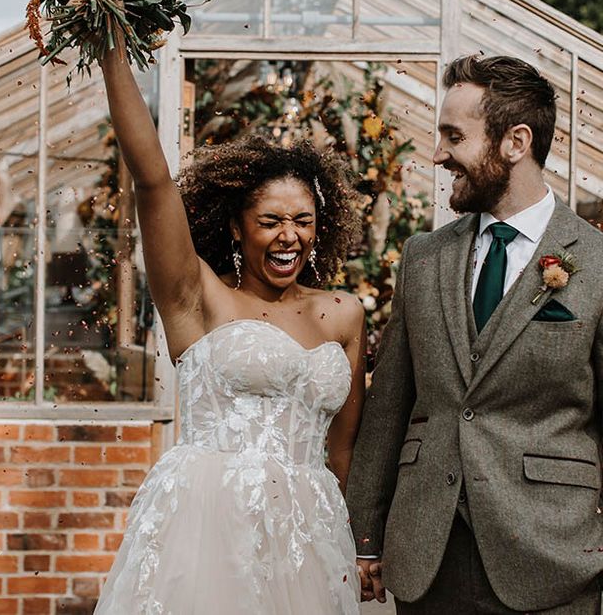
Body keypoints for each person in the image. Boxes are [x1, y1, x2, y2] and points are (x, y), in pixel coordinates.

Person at [93, 32, 366, 614]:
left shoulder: (343, 314)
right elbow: (152, 181)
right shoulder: (199, 299)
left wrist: (360, 546)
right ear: (237, 227)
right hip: (208, 530)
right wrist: (111, 48)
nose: (289, 235)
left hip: (310, 537)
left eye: (303, 220)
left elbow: (343, 456)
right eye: (270, 220)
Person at [346, 54, 603, 613]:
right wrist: (364, 535)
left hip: (553, 556)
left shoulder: (598, 264)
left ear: (516, 142)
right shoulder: (423, 257)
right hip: (427, 555)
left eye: (453, 136)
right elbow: (390, 402)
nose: (438, 154)